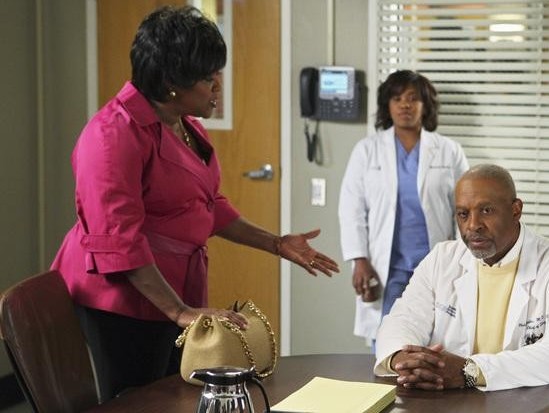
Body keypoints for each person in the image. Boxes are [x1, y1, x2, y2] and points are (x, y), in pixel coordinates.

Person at [51, 6, 338, 401]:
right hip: (122, 301)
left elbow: (209, 206)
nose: (218, 85)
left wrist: (275, 243)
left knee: (174, 396)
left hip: (173, 294)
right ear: (171, 81)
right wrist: (181, 312)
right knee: (139, 402)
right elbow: (120, 244)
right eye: (208, 77)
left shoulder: (184, 125)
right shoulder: (111, 136)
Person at [373, 164, 549, 391]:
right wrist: (401, 359)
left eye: (486, 211)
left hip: (525, 403)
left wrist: (470, 371)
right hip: (449, 400)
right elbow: (402, 320)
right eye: (463, 214)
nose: (473, 225)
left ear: (516, 210)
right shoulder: (442, 259)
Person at [338, 70, 468, 343]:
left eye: (412, 98)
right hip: (388, 266)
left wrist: (464, 260)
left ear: (425, 105)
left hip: (436, 262)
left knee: (436, 339)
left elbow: (465, 208)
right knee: (387, 341)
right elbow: (351, 209)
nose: (405, 105)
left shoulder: (449, 150)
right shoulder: (367, 150)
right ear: (388, 105)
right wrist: (359, 260)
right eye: (397, 99)